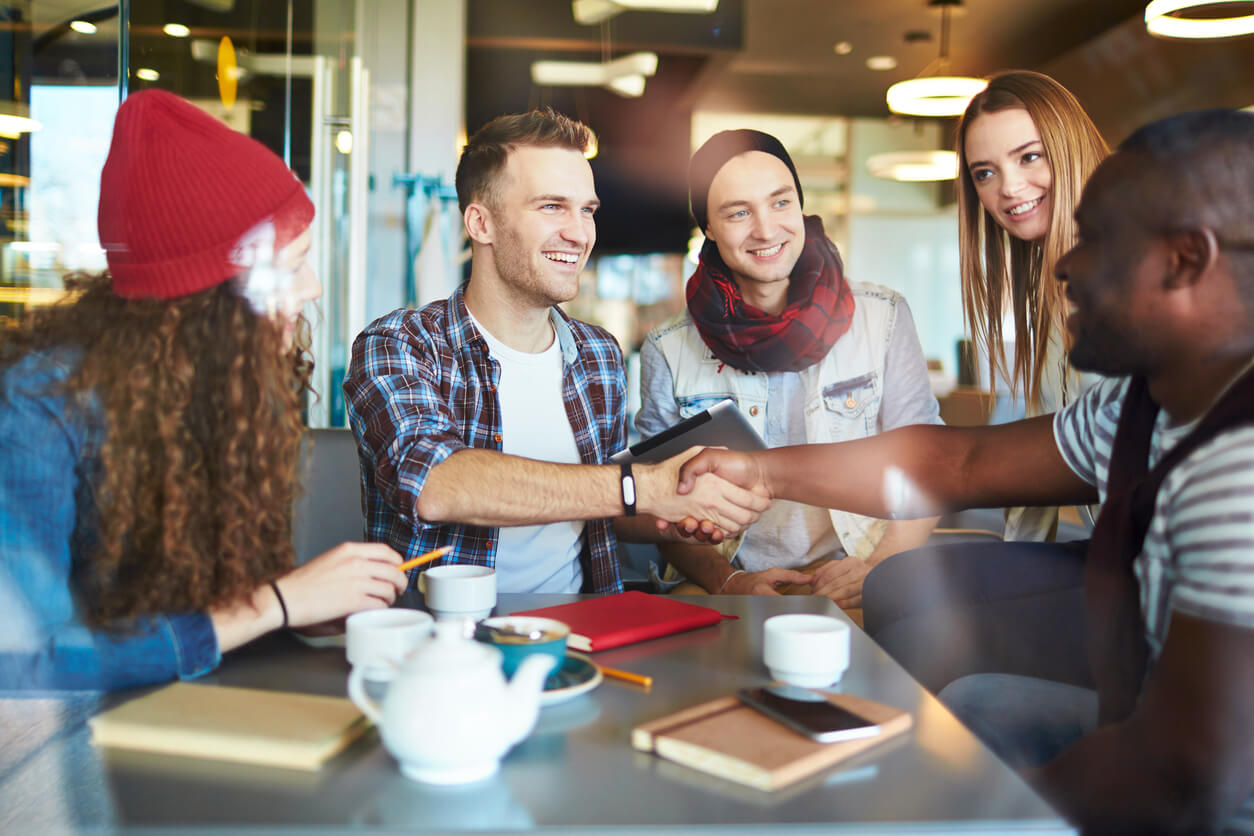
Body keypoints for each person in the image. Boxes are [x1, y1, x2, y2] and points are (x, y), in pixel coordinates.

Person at [676, 109, 1254, 833]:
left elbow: (1183, 776)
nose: (1066, 264)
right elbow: (962, 461)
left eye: (1099, 240)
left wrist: (935, 808)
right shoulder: (1143, 406)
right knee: (976, 703)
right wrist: (760, 471)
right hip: (1152, 722)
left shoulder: (1237, 466)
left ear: (1186, 260)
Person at [0, 90, 409, 692]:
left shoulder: (216, 384)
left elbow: (193, 603)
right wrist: (271, 605)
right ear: (215, 295)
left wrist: (305, 611)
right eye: (293, 263)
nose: (314, 286)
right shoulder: (39, 405)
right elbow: (22, 658)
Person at [343, 110, 767, 596]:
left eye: (586, 210)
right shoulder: (400, 344)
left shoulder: (597, 354)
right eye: (551, 207)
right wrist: (644, 487)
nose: (579, 233)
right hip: (443, 645)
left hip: (583, 635)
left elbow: (602, 509)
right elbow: (435, 485)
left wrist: (684, 506)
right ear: (481, 223)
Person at [634, 130, 940, 607]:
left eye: (780, 203)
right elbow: (659, 507)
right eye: (738, 212)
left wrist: (876, 568)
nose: (765, 229)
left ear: (800, 205)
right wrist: (727, 581)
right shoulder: (669, 347)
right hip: (730, 573)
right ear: (709, 230)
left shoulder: (883, 317)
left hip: (852, 564)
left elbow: (929, 465)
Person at [957, 69, 1108, 541]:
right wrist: (1014, 559)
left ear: (1068, 148)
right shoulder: (1054, 292)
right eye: (986, 172)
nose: (1009, 187)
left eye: (1029, 157)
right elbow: (1042, 451)